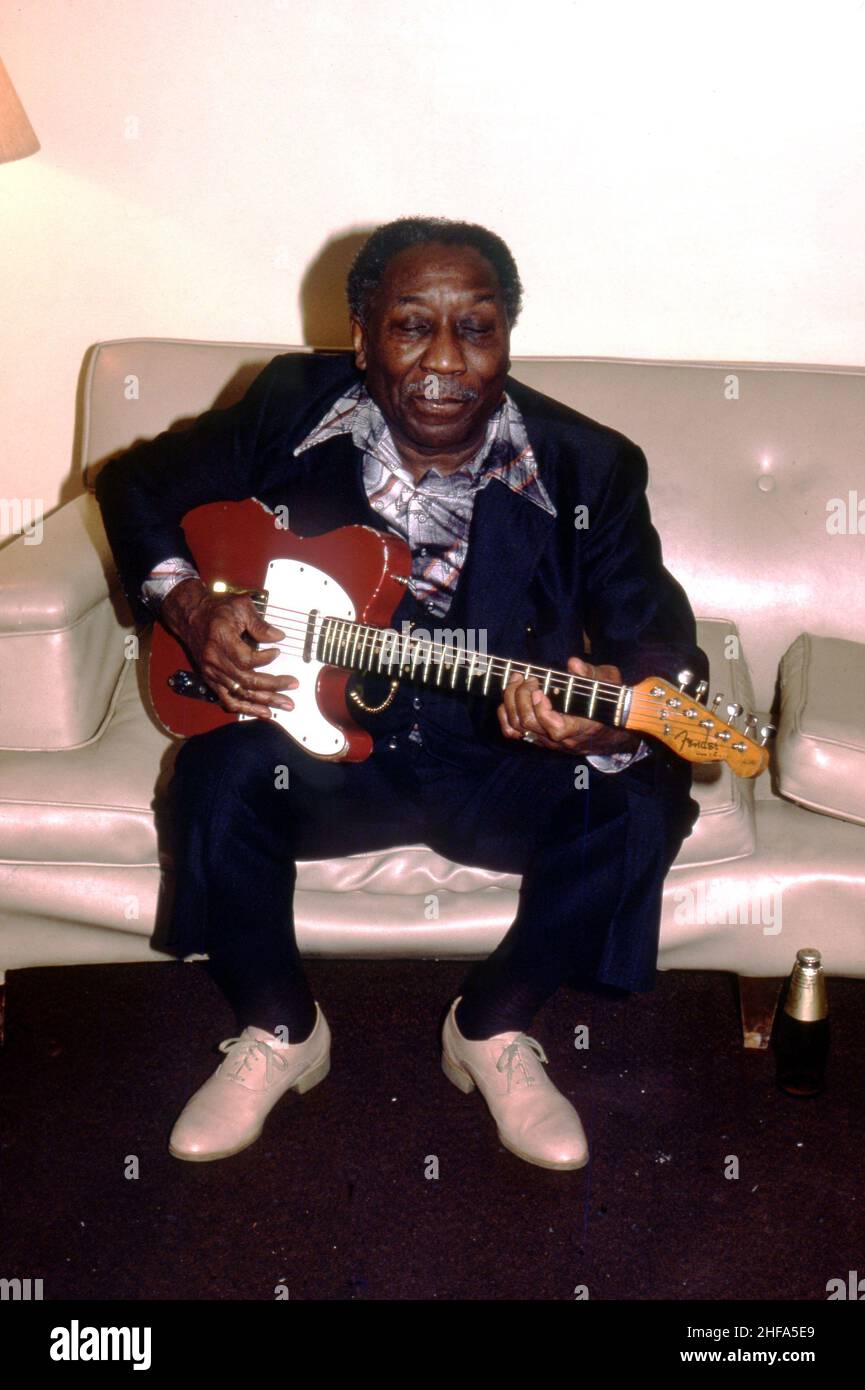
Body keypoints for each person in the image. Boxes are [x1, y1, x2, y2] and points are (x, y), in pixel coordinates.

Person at [95, 216, 708, 1171]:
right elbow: (133, 483)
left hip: (495, 755)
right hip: (322, 749)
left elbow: (661, 647)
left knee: (638, 796)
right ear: (360, 335)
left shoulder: (589, 465)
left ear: (507, 336)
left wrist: (595, 723)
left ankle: (495, 1027)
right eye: (410, 325)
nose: (444, 361)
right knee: (214, 775)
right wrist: (187, 607)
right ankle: (280, 1029)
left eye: (477, 327)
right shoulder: (289, 405)